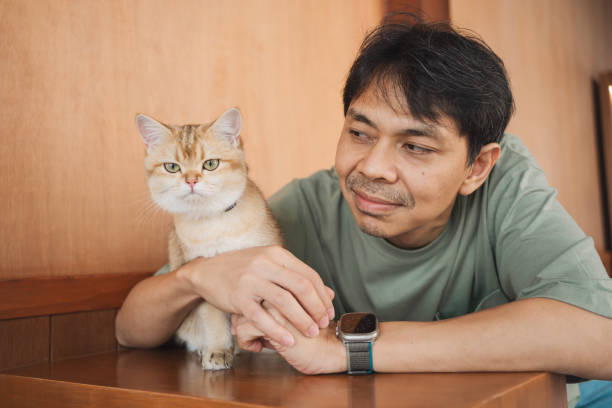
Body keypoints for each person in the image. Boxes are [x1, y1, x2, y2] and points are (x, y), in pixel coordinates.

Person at [116, 17, 612, 389]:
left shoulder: (505, 184)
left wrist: (348, 349)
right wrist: (197, 277)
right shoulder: (303, 206)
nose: (372, 168)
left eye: (415, 146)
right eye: (359, 132)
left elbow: (600, 338)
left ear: (476, 167)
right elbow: (131, 328)